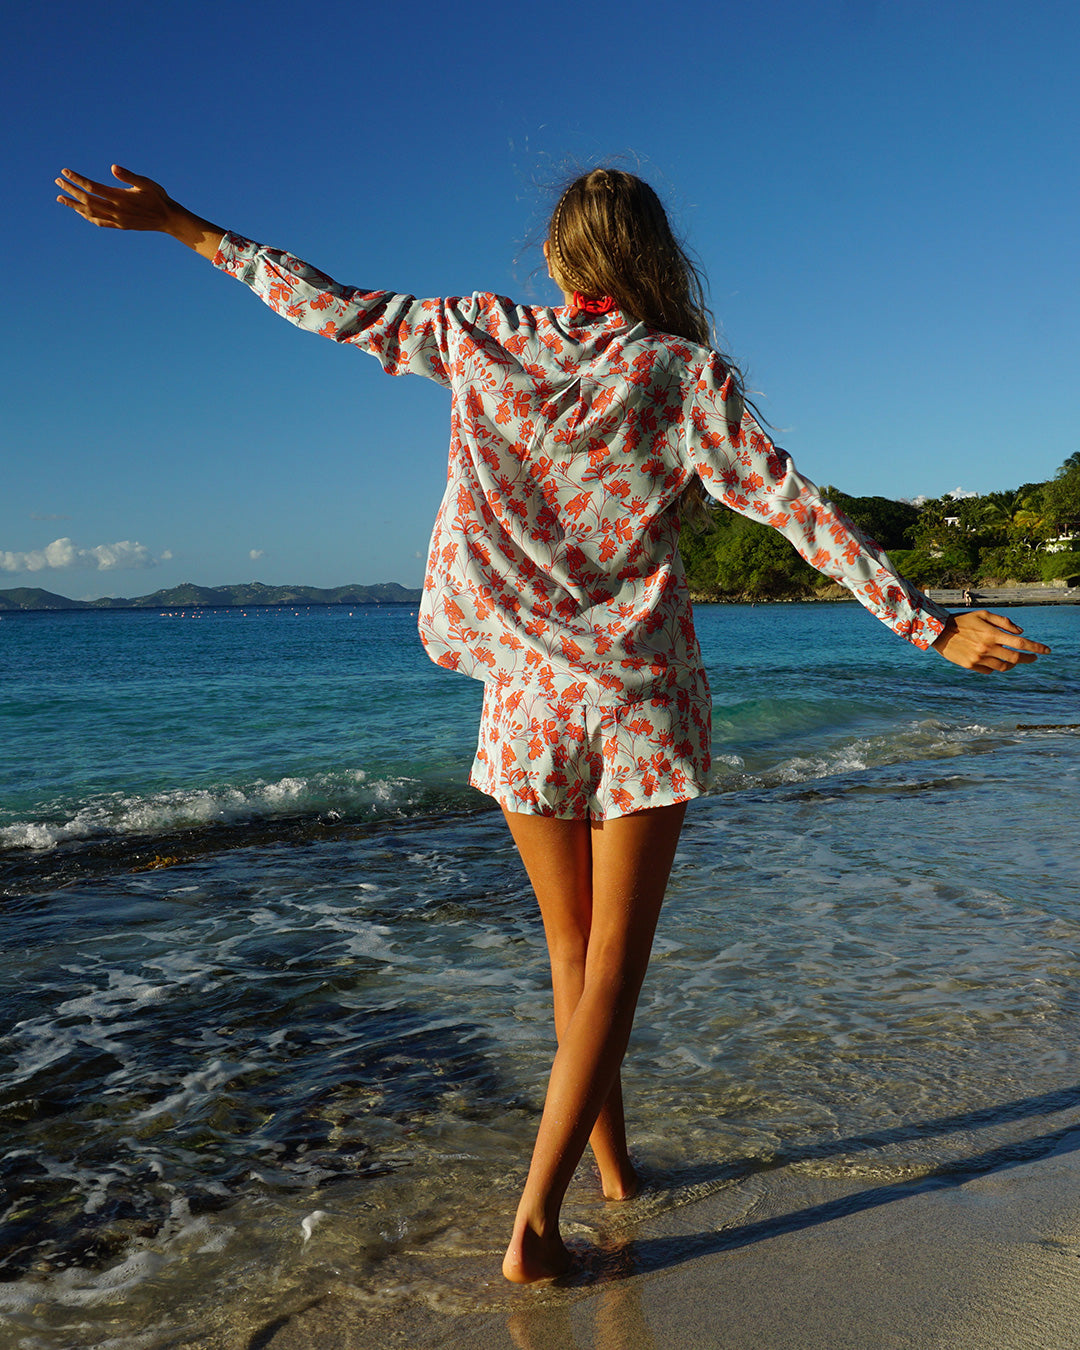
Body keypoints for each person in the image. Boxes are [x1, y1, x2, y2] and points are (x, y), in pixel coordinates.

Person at [56, 164, 1050, 1283]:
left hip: (526, 700)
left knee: (573, 959)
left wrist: (181, 226)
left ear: (553, 258)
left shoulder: (479, 332)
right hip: (638, 693)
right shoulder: (682, 376)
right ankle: (533, 1223)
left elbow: (320, 301)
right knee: (614, 963)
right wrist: (923, 625)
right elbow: (798, 509)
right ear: (657, 256)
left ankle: (617, 1180)